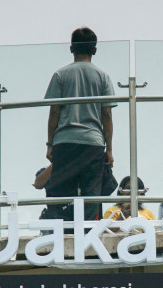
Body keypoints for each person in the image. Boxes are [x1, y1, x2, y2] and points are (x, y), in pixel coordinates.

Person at [44, 27, 115, 222]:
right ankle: (88, 239)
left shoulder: (60, 75)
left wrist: (50, 144)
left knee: (61, 194)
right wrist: (109, 149)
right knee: (91, 196)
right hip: (93, 143)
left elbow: (54, 112)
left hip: (64, 141)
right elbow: (106, 115)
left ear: (71, 49)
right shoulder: (103, 77)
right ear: (94, 50)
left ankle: (63, 237)